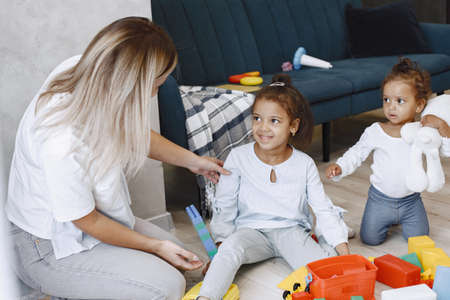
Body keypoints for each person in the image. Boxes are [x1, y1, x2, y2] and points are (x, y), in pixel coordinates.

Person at [5, 17, 230, 300]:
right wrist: (155, 246)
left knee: (180, 262)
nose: (155, 93)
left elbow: (133, 132)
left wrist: (193, 162)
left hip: (90, 221)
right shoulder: (62, 141)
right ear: (130, 85)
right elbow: (89, 222)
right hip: (48, 246)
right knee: (166, 286)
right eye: (157, 85)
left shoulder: (89, 71)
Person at [197, 74, 350, 300]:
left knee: (324, 269)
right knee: (230, 249)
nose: (263, 128)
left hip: (291, 231)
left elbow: (321, 207)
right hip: (250, 232)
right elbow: (225, 203)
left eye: (274, 121)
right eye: (257, 118)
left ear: (293, 126)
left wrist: (341, 246)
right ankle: (205, 297)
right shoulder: (238, 157)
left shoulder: (304, 164)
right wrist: (222, 246)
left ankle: (330, 236)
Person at [326, 58, 450, 246]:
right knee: (370, 240)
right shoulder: (375, 131)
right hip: (379, 200)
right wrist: (340, 166)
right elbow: (357, 152)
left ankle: (404, 219)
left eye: (400, 101)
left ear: (419, 105)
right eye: (386, 100)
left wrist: (442, 126)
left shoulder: (422, 132)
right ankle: (386, 219)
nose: (391, 106)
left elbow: (446, 150)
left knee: (420, 240)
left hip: (411, 201)